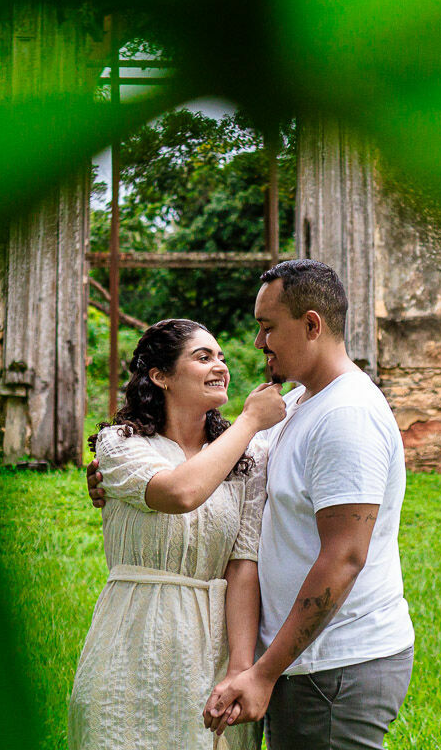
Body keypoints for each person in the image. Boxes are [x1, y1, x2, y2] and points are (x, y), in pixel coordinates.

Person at [204, 259, 415, 750]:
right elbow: (236, 477)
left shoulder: (347, 416)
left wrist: (264, 672)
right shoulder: (300, 402)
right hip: (308, 664)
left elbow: (345, 556)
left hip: (335, 669)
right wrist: (133, 473)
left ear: (312, 324)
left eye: (267, 327)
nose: (259, 343)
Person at [68, 318, 287, 750]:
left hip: (211, 645)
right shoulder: (120, 444)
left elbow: (243, 564)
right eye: (203, 357)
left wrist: (240, 668)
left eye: (221, 357)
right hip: (131, 640)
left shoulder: (248, 460)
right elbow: (180, 492)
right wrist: (249, 422)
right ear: (160, 376)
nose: (220, 366)